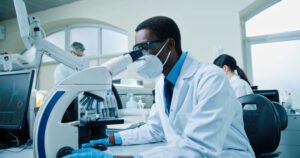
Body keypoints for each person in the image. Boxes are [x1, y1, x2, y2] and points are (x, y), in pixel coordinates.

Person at [65, 16, 255, 158]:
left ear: (169, 44)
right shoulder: (162, 81)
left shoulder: (210, 78)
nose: (140, 57)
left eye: (145, 48)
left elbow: (199, 148)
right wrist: (110, 140)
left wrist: (119, 157)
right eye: (137, 50)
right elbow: (155, 130)